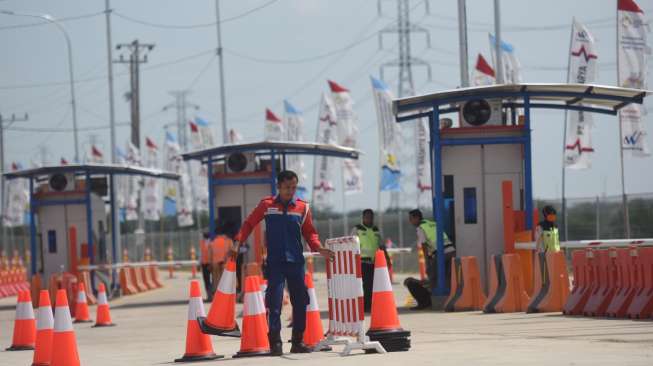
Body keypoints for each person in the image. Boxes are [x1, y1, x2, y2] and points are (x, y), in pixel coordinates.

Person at [229, 170, 334, 356]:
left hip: (296, 263)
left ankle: (298, 341)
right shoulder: (267, 205)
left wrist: (319, 249)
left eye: (293, 187)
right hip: (275, 263)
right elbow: (249, 224)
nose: (290, 191)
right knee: (274, 302)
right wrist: (238, 242)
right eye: (287, 187)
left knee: (301, 301)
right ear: (278, 186)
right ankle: (275, 343)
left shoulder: (303, 208)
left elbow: (310, 233)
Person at [404, 209, 455, 310]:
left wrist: (427, 262)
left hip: (441, 253)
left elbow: (424, 245)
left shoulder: (420, 228)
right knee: (448, 276)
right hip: (452, 251)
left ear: (417, 218)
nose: (410, 221)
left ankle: (427, 302)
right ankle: (449, 298)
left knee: (432, 276)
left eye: (411, 219)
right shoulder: (432, 223)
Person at [351, 209, 384, 313]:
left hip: (375, 262)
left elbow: (382, 245)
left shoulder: (376, 229)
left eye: (371, 217)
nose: (369, 219)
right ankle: (365, 306)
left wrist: (386, 259)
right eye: (367, 217)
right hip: (362, 262)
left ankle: (370, 305)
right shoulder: (357, 229)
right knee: (366, 285)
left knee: (374, 285)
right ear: (363, 217)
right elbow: (351, 245)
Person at [210, 223, 233, 297]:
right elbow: (232, 252)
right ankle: (225, 294)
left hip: (215, 263)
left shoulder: (213, 242)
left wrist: (210, 264)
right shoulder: (228, 241)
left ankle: (216, 294)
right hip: (225, 264)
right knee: (226, 280)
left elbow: (210, 254)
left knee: (216, 280)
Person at [199, 232, 212, 299]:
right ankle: (210, 294)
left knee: (207, 279)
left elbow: (200, 254)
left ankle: (209, 294)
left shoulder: (211, 243)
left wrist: (199, 263)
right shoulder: (211, 242)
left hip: (207, 263)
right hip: (208, 263)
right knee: (208, 279)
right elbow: (201, 254)